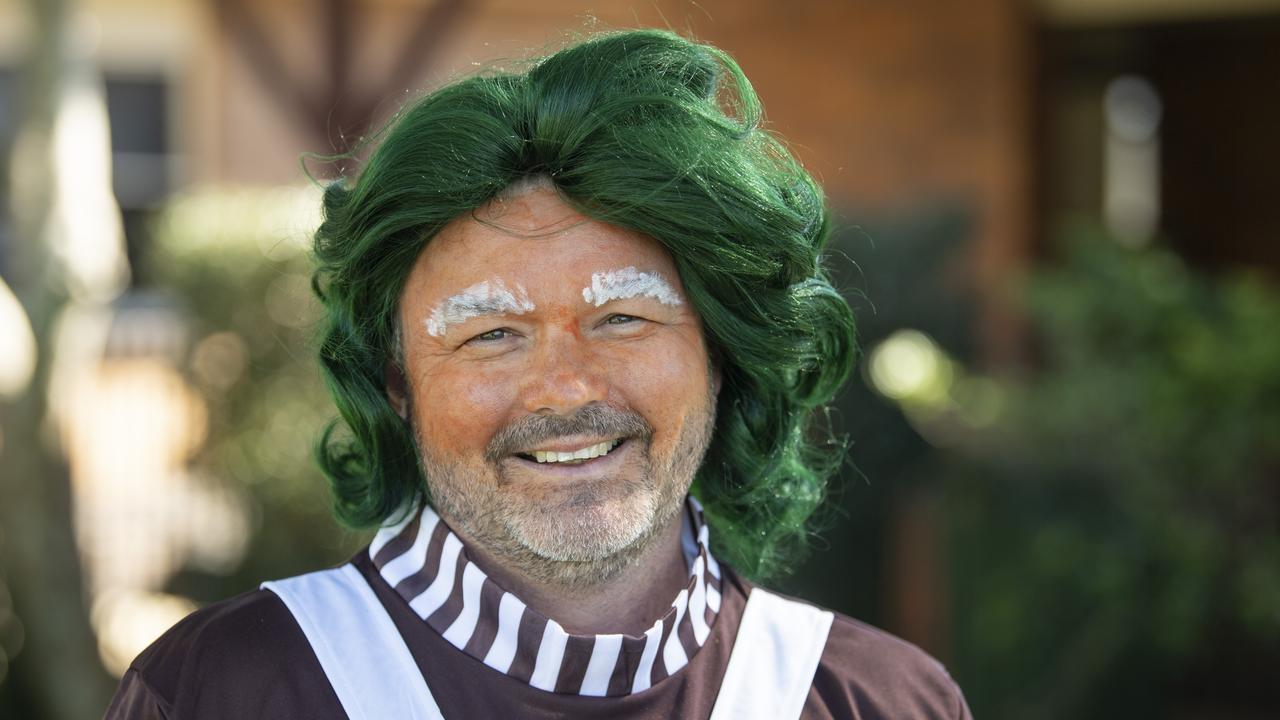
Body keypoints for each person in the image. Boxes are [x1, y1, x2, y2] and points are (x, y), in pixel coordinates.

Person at [106, 29, 971, 719]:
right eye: (490, 334)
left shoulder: (882, 702)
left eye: (623, 317)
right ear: (397, 382)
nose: (566, 388)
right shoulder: (221, 695)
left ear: (720, 356)